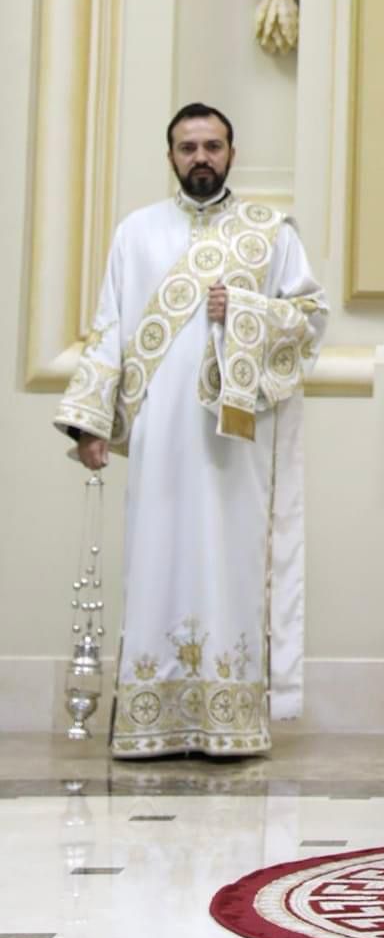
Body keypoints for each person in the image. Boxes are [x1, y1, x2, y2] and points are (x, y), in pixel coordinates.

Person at [55, 105, 327, 759]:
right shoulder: (137, 232)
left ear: (231, 152)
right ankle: (153, 721)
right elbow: (110, 328)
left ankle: (230, 720)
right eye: (187, 147)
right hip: (159, 438)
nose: (200, 157)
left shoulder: (270, 233)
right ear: (171, 156)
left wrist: (247, 310)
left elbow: (311, 319)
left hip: (234, 437)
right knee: (156, 557)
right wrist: (91, 422)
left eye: (212, 145)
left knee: (230, 560)